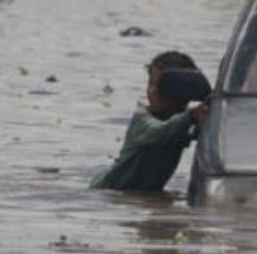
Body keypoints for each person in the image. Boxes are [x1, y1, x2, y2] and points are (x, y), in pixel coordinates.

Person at [90, 51, 210, 192]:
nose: (152, 91)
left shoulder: (185, 122)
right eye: (150, 83)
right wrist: (190, 116)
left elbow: (202, 136)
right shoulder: (142, 118)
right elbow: (160, 132)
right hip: (107, 188)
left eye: (160, 85)